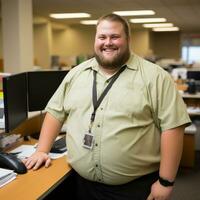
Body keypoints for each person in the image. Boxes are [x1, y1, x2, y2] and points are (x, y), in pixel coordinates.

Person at [23, 13, 191, 200]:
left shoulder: (156, 77)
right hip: (81, 185)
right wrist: (41, 150)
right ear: (95, 39)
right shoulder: (76, 74)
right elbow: (55, 112)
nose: (107, 42)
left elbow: (173, 128)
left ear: (128, 39)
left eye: (115, 37)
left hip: (133, 189)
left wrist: (165, 182)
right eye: (102, 37)